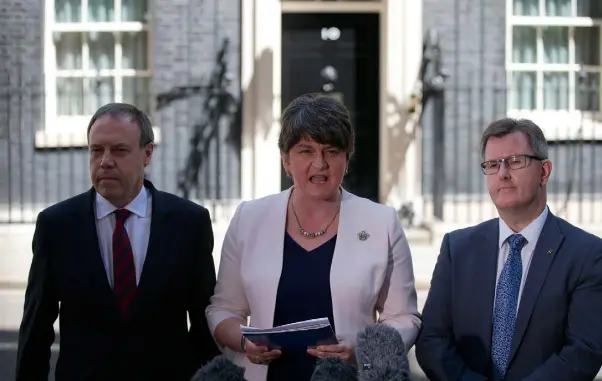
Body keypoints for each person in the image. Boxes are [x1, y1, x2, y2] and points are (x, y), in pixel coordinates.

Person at [205, 93, 421, 381]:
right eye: (306, 151)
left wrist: (361, 349)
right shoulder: (249, 218)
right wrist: (243, 342)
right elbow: (223, 310)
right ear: (286, 160)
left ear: (347, 158)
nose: (319, 163)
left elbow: (404, 318)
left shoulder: (381, 222)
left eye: (331, 151)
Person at [15, 103, 220, 381]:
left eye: (119, 150)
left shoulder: (188, 223)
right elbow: (36, 329)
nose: (105, 161)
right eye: (96, 150)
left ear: (147, 153)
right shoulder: (57, 226)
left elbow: (204, 326)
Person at [415, 118, 602, 381]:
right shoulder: (456, 249)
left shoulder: (587, 254)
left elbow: (584, 350)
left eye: (515, 161)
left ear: (544, 172)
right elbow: (432, 341)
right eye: (493, 164)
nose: (502, 173)